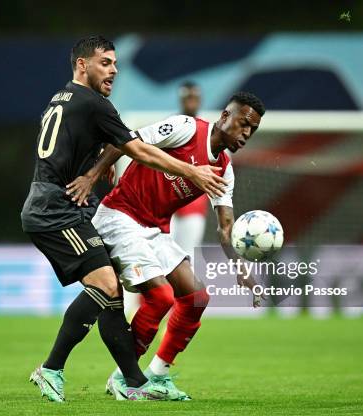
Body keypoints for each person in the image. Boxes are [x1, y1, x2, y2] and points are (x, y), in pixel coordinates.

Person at [21, 35, 228, 402]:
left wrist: (97, 163)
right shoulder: (95, 104)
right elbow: (141, 151)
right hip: (55, 208)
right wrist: (192, 172)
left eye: (116, 63)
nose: (114, 70)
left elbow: (75, 141)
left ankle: (133, 380)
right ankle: (51, 368)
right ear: (82, 65)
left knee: (113, 295)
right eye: (105, 62)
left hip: (67, 206)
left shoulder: (63, 97)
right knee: (106, 285)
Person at [68, 91, 266, 400]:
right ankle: (128, 378)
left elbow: (225, 230)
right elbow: (128, 139)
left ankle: (155, 375)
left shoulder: (224, 170)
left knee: (196, 297)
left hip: (154, 230)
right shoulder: (187, 128)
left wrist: (242, 270)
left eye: (252, 130)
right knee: (160, 297)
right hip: (120, 215)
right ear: (225, 116)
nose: (246, 134)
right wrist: (93, 175)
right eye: (243, 124)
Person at [171, 81, 209, 260]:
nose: (191, 101)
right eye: (188, 98)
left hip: (194, 205)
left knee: (189, 258)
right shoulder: (169, 124)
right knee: (163, 257)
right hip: (167, 204)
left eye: (194, 97)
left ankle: (187, 289)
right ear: (181, 99)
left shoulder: (210, 131)